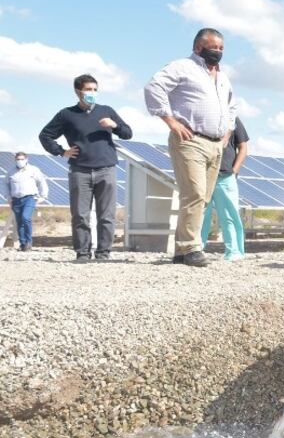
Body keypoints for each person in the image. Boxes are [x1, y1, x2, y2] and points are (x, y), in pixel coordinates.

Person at [144, 28, 238, 267]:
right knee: (194, 194)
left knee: (203, 199)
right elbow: (154, 87)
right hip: (190, 141)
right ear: (198, 47)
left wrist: (227, 131)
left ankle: (181, 251)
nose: (217, 51)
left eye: (221, 48)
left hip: (216, 144)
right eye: (213, 47)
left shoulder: (222, 77)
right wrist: (171, 121)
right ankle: (192, 248)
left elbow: (232, 106)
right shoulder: (182, 67)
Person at [39, 74, 132, 261]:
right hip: (79, 171)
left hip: (106, 169)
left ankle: (103, 253)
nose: (92, 93)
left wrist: (113, 125)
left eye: (95, 90)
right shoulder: (66, 114)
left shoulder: (106, 111)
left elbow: (127, 133)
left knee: (107, 215)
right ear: (78, 91)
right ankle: (82, 253)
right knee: (80, 215)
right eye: (88, 89)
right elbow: (45, 135)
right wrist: (61, 151)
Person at [200, 117, 249, 261]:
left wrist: (234, 170)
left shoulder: (232, 118)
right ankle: (195, 250)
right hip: (202, 174)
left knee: (230, 215)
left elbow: (243, 146)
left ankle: (234, 252)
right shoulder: (202, 114)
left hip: (225, 175)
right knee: (200, 215)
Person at [4, 152, 48, 251]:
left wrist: (43, 196)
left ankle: (29, 241)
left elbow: (42, 182)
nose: (20, 161)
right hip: (15, 199)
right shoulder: (11, 172)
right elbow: (6, 185)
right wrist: (9, 198)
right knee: (19, 222)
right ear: (15, 160)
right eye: (18, 159)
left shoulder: (33, 170)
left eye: (22, 159)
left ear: (26, 159)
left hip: (29, 198)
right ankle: (23, 244)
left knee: (25, 218)